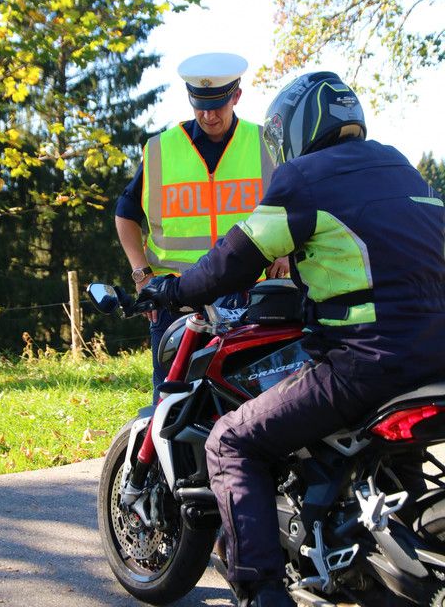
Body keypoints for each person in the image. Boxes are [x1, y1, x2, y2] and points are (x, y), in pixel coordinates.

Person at [137, 71, 445, 607]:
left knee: (231, 440)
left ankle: (261, 592)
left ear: (298, 130)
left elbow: (236, 257)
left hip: (369, 360)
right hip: (436, 357)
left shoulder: (305, 179)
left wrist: (175, 288)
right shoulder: (400, 166)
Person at [115, 52, 277, 403]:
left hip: (250, 296)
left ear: (236, 96)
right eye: (200, 105)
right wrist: (141, 275)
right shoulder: (160, 149)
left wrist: (286, 254)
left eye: (217, 105)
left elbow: (294, 207)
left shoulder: (266, 144)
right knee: (173, 407)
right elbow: (124, 213)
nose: (208, 115)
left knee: (249, 407)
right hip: (175, 299)